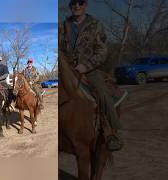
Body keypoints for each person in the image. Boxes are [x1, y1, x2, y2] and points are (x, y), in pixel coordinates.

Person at [61, 0, 122, 151]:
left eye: (80, 3)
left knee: (103, 94)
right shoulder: (63, 25)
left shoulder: (95, 25)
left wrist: (86, 65)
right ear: (70, 6)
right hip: (67, 69)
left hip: (89, 70)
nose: (77, 6)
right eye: (73, 3)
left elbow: (102, 51)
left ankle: (112, 133)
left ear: (85, 5)